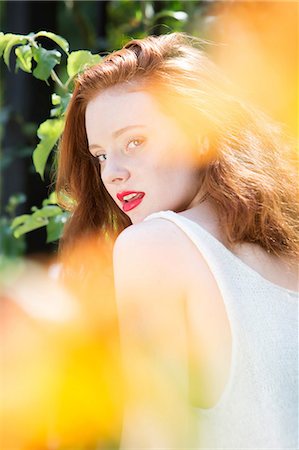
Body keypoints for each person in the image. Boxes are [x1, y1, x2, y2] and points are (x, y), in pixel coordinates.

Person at [56, 33, 298, 449]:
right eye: (100, 155)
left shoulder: (154, 246)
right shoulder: (286, 254)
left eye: (135, 142)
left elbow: (154, 436)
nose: (112, 173)